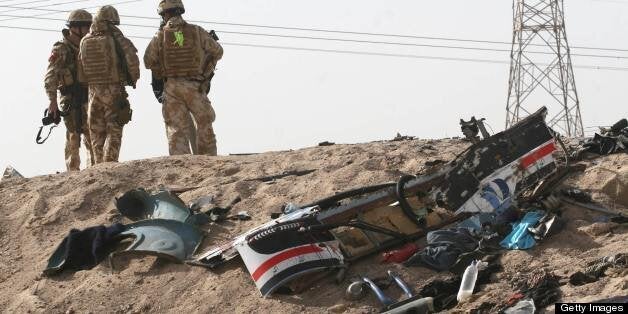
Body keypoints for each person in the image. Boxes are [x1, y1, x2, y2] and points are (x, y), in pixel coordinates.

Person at [144, 0, 223, 156]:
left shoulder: (160, 36)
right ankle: (208, 161)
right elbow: (218, 52)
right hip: (195, 86)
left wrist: (161, 70)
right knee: (204, 124)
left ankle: (180, 162)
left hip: (172, 87)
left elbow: (148, 61)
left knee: (176, 128)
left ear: (164, 14)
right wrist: (206, 71)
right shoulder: (197, 31)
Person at [78, 5, 139, 164]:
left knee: (96, 132)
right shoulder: (117, 38)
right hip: (113, 90)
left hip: (92, 92)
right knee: (114, 128)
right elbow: (132, 61)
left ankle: (99, 165)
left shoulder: (85, 40)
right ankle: (110, 164)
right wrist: (132, 80)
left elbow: (81, 70)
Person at [44, 9, 94, 171]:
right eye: (87, 26)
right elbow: (50, 76)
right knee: (73, 134)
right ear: (76, 28)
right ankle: (73, 172)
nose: (89, 30)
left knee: (91, 133)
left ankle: (94, 170)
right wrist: (52, 102)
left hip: (89, 96)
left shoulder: (89, 45)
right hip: (70, 97)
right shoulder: (61, 49)